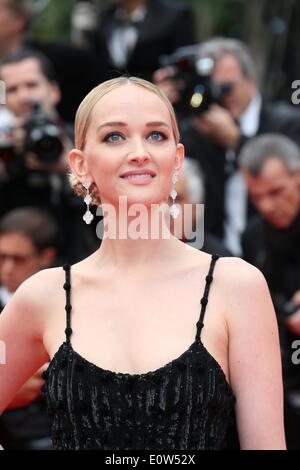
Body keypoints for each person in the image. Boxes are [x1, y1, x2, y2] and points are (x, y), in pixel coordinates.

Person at [0, 76, 286, 450]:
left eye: (156, 135)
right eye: (114, 137)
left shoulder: (237, 286)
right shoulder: (44, 296)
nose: (139, 152)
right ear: (81, 165)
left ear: (177, 159)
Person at [154, 37, 300, 255]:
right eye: (209, 89)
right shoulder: (195, 130)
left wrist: (237, 142)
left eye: (226, 88)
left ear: (251, 80)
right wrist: (158, 106)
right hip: (212, 255)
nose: (220, 96)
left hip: (276, 255)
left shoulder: (288, 124)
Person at [0, 47, 96, 264]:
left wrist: (70, 168)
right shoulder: (4, 147)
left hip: (85, 261)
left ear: (54, 91)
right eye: (13, 89)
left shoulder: (88, 140)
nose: (24, 96)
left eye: (31, 85)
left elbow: (111, 209)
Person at [239, 134, 300, 449]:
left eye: (276, 192)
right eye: (257, 197)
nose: (268, 206)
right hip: (280, 376)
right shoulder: (252, 236)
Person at [0, 207, 58, 449]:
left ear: (46, 257)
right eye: (2, 257)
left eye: (18, 259)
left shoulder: (67, 302)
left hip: (50, 430)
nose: (8, 268)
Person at [87, 0, 196, 82]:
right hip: (112, 99)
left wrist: (171, 80)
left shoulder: (174, 16)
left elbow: (187, 65)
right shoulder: (104, 16)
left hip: (159, 98)